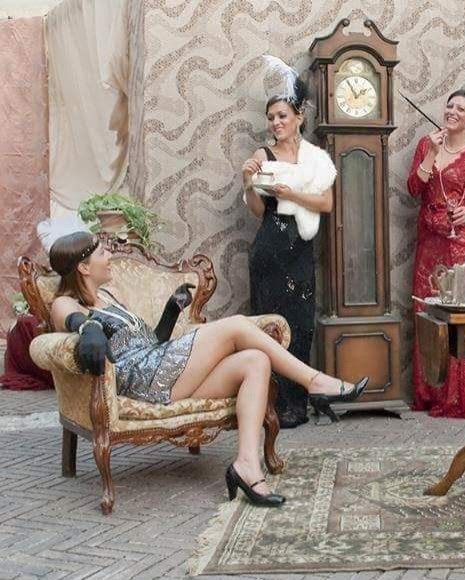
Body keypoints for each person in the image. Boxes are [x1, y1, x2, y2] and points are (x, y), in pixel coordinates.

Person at [40, 220, 367, 507]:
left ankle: (246, 465)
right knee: (236, 326)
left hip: (160, 369)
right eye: (102, 253)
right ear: (84, 268)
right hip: (143, 381)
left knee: (255, 361)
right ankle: (315, 383)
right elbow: (70, 319)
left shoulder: (109, 297)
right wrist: (87, 328)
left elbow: (151, 342)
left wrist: (171, 310)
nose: (109, 256)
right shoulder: (66, 301)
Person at [241, 58, 335, 428]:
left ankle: (297, 403)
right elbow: (256, 211)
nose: (276, 123)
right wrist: (248, 183)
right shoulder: (261, 156)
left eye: (282, 116)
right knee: (269, 328)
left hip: (301, 252)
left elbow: (325, 204)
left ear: (298, 117)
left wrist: (291, 193)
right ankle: (272, 405)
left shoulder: (315, 159)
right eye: (271, 118)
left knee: (301, 326)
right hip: (270, 250)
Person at [407, 89, 465, 418]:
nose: (452, 112)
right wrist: (431, 154)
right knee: (428, 314)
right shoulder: (425, 145)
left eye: (460, 109)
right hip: (429, 242)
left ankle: (459, 397)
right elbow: (414, 189)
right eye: (449, 106)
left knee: (459, 316)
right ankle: (430, 392)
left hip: (461, 244)